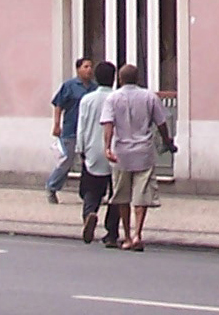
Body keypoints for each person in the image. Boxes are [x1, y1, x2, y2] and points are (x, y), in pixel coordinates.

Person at [100, 61, 173, 251]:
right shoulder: (149, 97)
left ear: (119, 79)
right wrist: (168, 142)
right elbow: (161, 123)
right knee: (141, 196)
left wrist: (107, 147)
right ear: (138, 78)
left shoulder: (112, 99)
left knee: (122, 196)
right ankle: (138, 233)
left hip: (121, 152)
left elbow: (108, 124)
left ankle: (126, 235)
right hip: (144, 152)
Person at [74, 61, 120, 247]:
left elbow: (82, 127)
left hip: (93, 149)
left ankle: (89, 214)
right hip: (116, 151)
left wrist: (81, 149)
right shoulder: (118, 98)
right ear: (114, 78)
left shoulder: (87, 100)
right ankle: (111, 232)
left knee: (91, 189)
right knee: (116, 193)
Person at [46, 56, 95, 203]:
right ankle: (52, 187)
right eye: (85, 67)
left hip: (89, 130)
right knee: (66, 161)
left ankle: (90, 192)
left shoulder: (94, 87)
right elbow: (58, 104)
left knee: (90, 162)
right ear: (78, 69)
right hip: (71, 128)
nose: (89, 70)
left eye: (90, 66)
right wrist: (56, 124)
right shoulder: (70, 86)